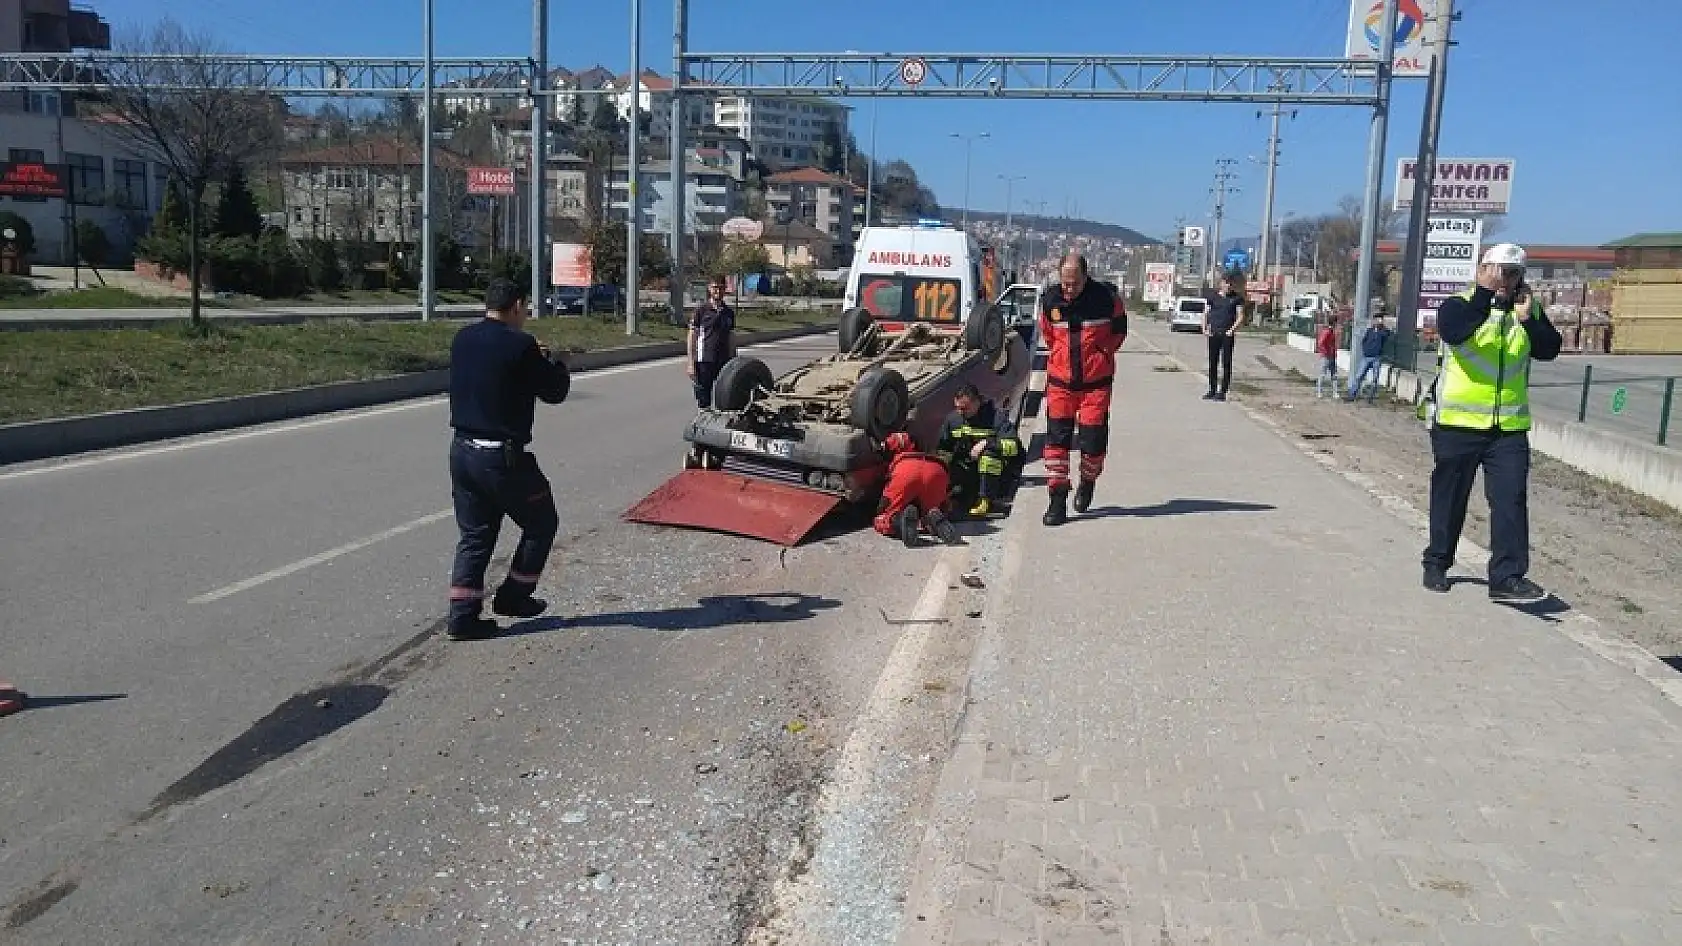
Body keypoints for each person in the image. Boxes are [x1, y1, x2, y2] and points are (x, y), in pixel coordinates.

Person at [1421, 243, 1563, 601]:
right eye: (1498, 271)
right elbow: (1455, 333)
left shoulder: (1526, 311)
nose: (1505, 279)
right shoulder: (1459, 305)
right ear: (1481, 270)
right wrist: (1485, 294)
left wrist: (1528, 320)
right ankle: (1437, 562)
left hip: (1508, 429)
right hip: (1458, 423)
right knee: (1451, 498)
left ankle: (1507, 578)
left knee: (1510, 500)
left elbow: (1549, 349)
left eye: (1512, 273)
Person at [445, 278, 573, 641]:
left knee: (475, 536)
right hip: (502, 459)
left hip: (462, 452)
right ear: (517, 305)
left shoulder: (463, 338)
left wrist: (532, 357)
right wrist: (558, 364)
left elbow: (496, 373)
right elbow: (554, 391)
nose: (526, 314)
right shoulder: (521, 345)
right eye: (526, 307)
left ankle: (462, 617)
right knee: (542, 522)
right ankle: (514, 597)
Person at [1037, 253, 1128, 526]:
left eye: (1074, 283)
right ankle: (1057, 500)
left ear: (1086, 277)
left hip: (1095, 386)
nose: (1069, 289)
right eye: (1065, 283)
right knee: (1056, 442)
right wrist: (1060, 358)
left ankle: (1088, 481)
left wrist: (1101, 354)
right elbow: (1048, 335)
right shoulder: (1050, 300)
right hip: (1060, 384)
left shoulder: (1106, 299)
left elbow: (1119, 332)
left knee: (1092, 443)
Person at [936, 383, 1026, 518]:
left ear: (977, 402)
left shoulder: (996, 418)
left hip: (998, 476)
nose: (960, 412)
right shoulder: (953, 420)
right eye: (957, 408)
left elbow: (1013, 447)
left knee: (989, 457)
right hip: (969, 471)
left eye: (964, 408)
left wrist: (987, 443)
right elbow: (943, 448)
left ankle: (986, 501)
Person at [873, 432, 961, 547]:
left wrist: (882, 509)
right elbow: (946, 500)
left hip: (906, 471)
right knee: (934, 509)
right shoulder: (924, 450)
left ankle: (898, 522)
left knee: (883, 518)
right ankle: (932, 520)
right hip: (937, 470)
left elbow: (885, 502)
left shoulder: (896, 457)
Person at [686, 275, 735, 409]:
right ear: (709, 288)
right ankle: (704, 419)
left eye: (721, 288)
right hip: (704, 361)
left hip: (724, 362)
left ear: (725, 289)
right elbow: (692, 336)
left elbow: (731, 337)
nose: (718, 291)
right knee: (704, 402)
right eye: (715, 287)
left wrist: (734, 361)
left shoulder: (729, 312)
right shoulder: (701, 311)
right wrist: (690, 363)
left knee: (725, 400)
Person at [1202, 276, 1244, 401]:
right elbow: (1206, 313)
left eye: (1230, 284)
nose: (1228, 286)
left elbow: (1240, 316)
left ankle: (1222, 392)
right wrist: (1204, 328)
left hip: (1227, 334)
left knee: (1226, 363)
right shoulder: (1213, 297)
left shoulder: (1236, 298)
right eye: (1226, 283)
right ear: (1221, 284)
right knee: (1212, 362)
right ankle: (1212, 390)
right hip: (1214, 333)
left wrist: (1232, 330)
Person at [1345, 316, 1392, 403]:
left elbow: (1387, 334)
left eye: (1379, 320)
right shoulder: (1369, 331)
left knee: (1374, 379)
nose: (1377, 321)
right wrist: (1365, 350)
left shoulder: (1383, 332)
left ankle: (1370, 397)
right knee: (1359, 376)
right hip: (1366, 357)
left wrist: (1383, 326)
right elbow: (1364, 341)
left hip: (1376, 358)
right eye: (1376, 320)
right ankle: (1352, 395)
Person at [1315, 316, 1340, 398]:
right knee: (1323, 374)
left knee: (1334, 374)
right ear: (1334, 323)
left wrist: (1333, 353)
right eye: (1336, 322)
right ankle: (1319, 392)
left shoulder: (1332, 331)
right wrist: (1325, 352)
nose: (1337, 324)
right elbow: (1320, 343)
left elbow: (1332, 344)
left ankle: (1335, 392)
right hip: (1326, 356)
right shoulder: (1327, 331)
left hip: (1331, 356)